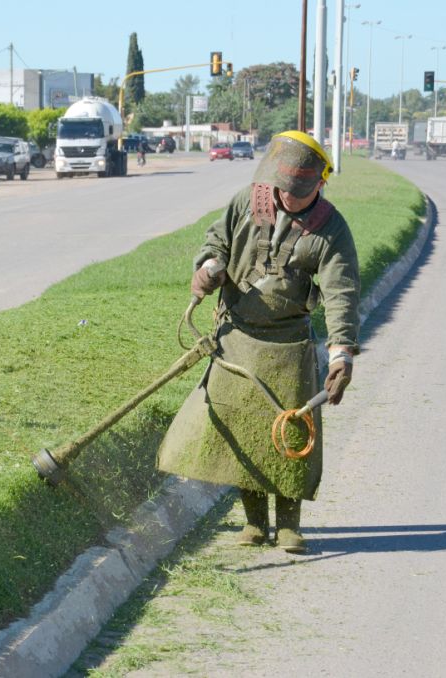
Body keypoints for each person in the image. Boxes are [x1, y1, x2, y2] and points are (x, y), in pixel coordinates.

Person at [156, 130, 360, 554]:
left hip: (289, 348)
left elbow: (341, 293)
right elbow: (216, 241)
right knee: (242, 433)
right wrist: (211, 266)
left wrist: (342, 354)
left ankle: (288, 525)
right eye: (282, 188)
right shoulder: (246, 203)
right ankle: (253, 522)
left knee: (289, 435)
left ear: (320, 185)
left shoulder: (332, 230)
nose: (288, 197)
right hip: (238, 341)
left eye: (299, 192)